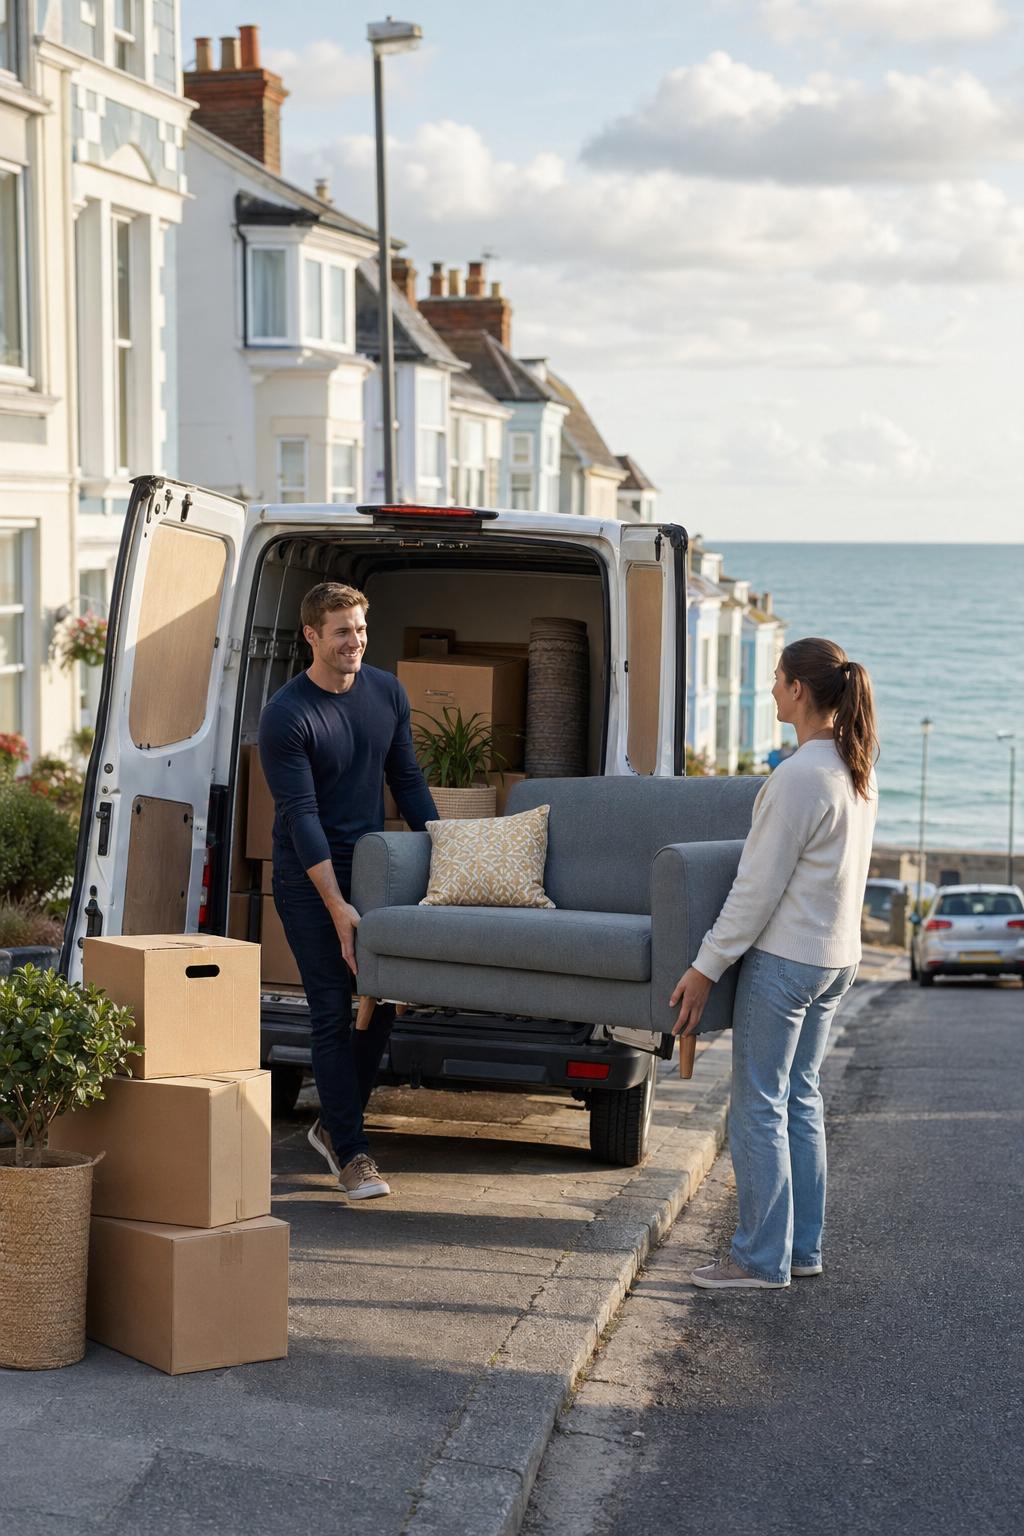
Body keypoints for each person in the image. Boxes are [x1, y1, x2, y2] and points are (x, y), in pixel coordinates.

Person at [670, 637, 879, 1289]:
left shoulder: (797, 777)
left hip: (788, 963)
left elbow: (755, 889)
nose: (770, 689)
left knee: (757, 1106)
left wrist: (705, 966)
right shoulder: (855, 767)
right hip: (835, 960)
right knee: (800, 1101)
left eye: (776, 679)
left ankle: (760, 1258)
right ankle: (801, 1249)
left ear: (798, 691)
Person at [258, 582, 437, 1200]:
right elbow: (301, 817)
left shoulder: (387, 691)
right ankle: (352, 1152)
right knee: (331, 1008)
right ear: (312, 635)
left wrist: (447, 856)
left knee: (386, 999)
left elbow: (407, 781)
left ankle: (334, 1126)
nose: (355, 642)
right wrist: (337, 906)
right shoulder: (288, 713)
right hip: (309, 878)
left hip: (375, 870)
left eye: (360, 629)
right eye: (341, 632)